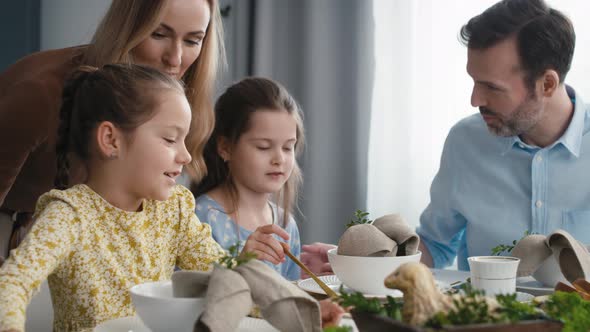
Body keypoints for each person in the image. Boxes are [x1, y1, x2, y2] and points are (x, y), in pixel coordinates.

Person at [0, 64, 228, 332]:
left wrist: (254, 274)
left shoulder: (174, 209)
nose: (186, 156)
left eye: (185, 141)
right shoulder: (70, 216)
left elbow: (224, 278)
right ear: (111, 140)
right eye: (170, 139)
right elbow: (11, 285)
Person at [0, 0, 224, 262]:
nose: (175, 59)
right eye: (159, 34)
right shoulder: (41, 93)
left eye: (192, 41)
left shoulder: (176, 100)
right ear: (128, 28)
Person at [416, 0, 590, 270]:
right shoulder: (466, 142)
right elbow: (434, 244)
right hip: (485, 312)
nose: (475, 100)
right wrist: (352, 260)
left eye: (492, 87)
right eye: (474, 81)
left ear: (547, 84)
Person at [193, 77, 305, 280]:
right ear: (226, 148)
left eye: (288, 147)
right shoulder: (201, 218)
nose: (279, 159)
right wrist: (241, 264)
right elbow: (187, 296)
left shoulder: (285, 224)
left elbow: (289, 298)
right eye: (263, 147)